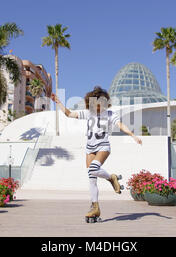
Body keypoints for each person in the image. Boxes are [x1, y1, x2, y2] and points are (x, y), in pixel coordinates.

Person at [50, 86, 142, 223]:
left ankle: (111, 178)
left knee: (93, 169)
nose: (96, 107)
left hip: (103, 146)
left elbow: (121, 125)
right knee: (92, 177)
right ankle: (95, 207)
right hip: (89, 148)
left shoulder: (110, 114)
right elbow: (69, 114)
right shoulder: (88, 113)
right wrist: (58, 102)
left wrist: (133, 135)